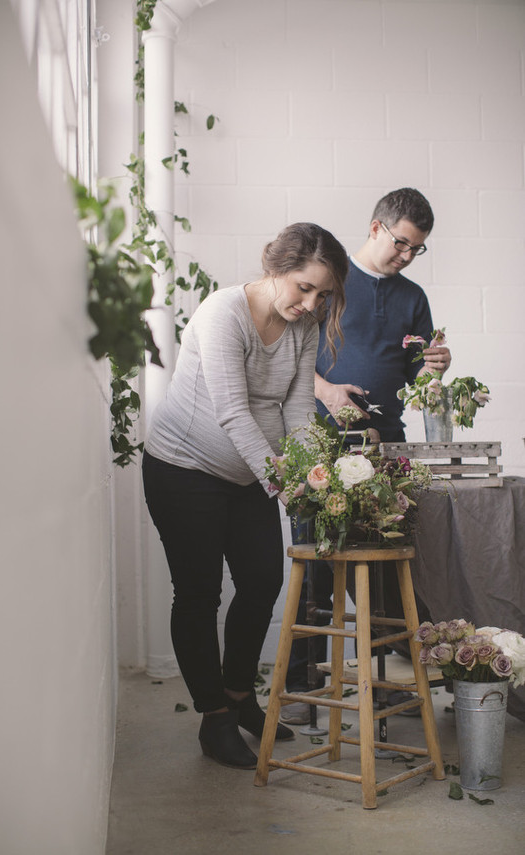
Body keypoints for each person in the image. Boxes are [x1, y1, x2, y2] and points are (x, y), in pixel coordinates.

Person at [142, 222, 349, 769]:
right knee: (198, 593)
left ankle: (240, 698)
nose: (311, 303)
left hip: (249, 477)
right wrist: (287, 487)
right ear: (275, 268)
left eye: (323, 294)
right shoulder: (221, 313)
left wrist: (317, 473)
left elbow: (300, 413)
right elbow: (232, 412)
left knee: (262, 582)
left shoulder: (303, 328)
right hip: (183, 469)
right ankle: (213, 718)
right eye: (304, 287)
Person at [282, 188, 452, 725]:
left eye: (416, 249)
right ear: (375, 227)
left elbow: (415, 378)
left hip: (386, 446)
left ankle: (378, 689)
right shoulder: (328, 280)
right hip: (317, 444)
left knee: (383, 579)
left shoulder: (413, 297)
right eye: (401, 243)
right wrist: (326, 390)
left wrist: (436, 368)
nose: (406, 255)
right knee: (317, 575)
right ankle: (300, 695)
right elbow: (282, 358)